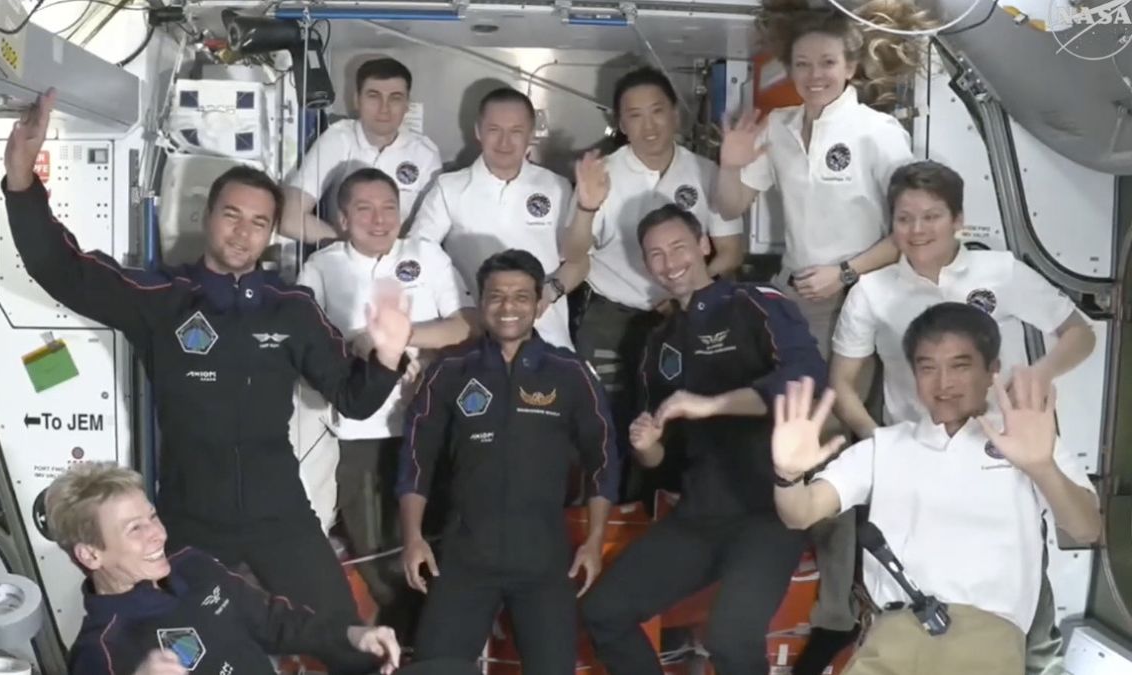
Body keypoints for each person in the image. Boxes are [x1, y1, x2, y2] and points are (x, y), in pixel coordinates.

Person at [3, 90, 412, 634]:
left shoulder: (293, 309)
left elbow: (355, 401)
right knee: (180, 648)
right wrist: (21, 178)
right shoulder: (162, 296)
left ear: (271, 233)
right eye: (232, 216)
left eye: (260, 223)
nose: (244, 233)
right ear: (208, 215)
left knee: (348, 640)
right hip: (191, 521)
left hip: (280, 516)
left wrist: (386, 355)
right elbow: (60, 268)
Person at [713, 3, 933, 665]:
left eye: (827, 63)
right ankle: (785, 586)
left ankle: (839, 609)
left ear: (852, 65)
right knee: (788, 446)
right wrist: (729, 162)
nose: (813, 74)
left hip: (860, 305)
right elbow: (730, 205)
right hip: (795, 306)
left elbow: (910, 231)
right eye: (802, 63)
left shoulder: (878, 132)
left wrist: (844, 271)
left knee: (838, 456)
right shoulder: (778, 127)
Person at [829, 159, 1097, 673]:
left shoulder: (1001, 272)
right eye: (904, 218)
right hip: (917, 460)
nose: (917, 230)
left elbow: (1079, 333)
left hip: (1005, 454)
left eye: (931, 216)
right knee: (908, 599)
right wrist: (880, 444)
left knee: (1020, 603)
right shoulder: (873, 292)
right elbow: (842, 383)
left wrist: (1036, 376)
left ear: (958, 220)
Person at [771, 303, 1100, 675]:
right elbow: (801, 513)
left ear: (992, 370)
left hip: (985, 639)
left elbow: (1087, 528)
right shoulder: (885, 446)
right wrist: (787, 476)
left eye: (960, 366)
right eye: (928, 367)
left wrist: (1042, 467)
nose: (943, 384)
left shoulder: (1030, 441)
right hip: (892, 636)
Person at [580, 205, 823, 674]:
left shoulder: (756, 303)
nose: (670, 263)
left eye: (678, 247)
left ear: (704, 245)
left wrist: (713, 404)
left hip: (771, 511)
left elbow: (807, 383)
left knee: (730, 641)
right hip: (700, 515)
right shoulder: (657, 342)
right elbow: (658, 458)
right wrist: (647, 444)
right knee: (604, 612)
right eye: (655, 255)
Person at [396, 250, 620, 674]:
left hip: (544, 560)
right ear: (481, 304)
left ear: (539, 304)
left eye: (521, 297)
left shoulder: (569, 372)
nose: (508, 307)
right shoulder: (450, 370)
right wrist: (413, 537)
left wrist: (593, 542)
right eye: (496, 296)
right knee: (433, 667)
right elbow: (415, 457)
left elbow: (603, 458)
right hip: (464, 556)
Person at [297, 167, 475, 637]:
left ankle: (439, 644)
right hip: (361, 434)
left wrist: (402, 337)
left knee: (438, 538)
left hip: (431, 425)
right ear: (341, 218)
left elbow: (466, 324)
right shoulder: (320, 267)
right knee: (377, 552)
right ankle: (405, 643)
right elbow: (304, 343)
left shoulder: (427, 256)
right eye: (364, 209)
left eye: (389, 208)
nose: (379, 220)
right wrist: (363, 344)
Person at [562, 66, 745, 501]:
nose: (649, 125)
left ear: (676, 115)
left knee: (676, 418)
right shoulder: (602, 173)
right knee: (606, 423)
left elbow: (731, 252)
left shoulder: (706, 172)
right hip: (611, 318)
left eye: (658, 111)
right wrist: (586, 207)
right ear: (621, 124)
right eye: (635, 115)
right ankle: (607, 526)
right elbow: (573, 252)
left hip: (686, 318)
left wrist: (683, 296)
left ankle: (666, 520)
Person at [44, 462, 401, 675]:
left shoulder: (193, 566)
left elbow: (274, 622)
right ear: (91, 556)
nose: (157, 535)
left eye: (152, 517)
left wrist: (352, 634)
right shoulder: (101, 649)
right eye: (134, 529)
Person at [406, 87, 584, 351]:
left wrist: (550, 292)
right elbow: (417, 255)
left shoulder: (557, 187)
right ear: (478, 131)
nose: (504, 142)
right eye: (494, 130)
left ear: (531, 134)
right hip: (472, 338)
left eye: (515, 131)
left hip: (546, 337)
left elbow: (578, 261)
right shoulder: (449, 188)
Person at [281, 57, 442, 239]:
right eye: (373, 96)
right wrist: (353, 248)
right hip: (341, 255)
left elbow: (429, 234)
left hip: (401, 259)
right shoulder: (338, 139)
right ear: (357, 100)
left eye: (395, 98)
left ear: (407, 105)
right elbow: (290, 220)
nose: (384, 108)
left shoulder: (425, 153)